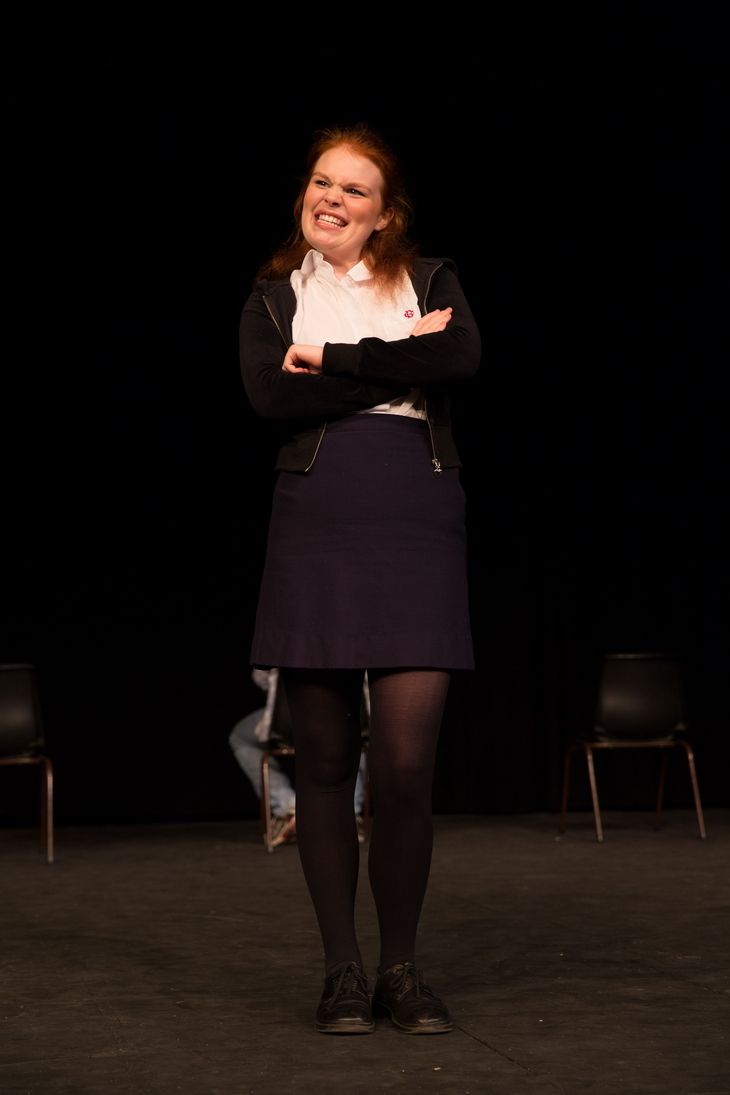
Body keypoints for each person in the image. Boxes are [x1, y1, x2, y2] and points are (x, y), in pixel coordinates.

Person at [238, 123, 480, 1035]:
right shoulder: (272, 298)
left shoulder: (430, 280)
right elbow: (271, 396)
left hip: (415, 519)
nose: (330, 198)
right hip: (318, 524)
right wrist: (393, 359)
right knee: (328, 763)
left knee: (408, 766)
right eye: (320, 181)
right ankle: (344, 971)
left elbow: (455, 358)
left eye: (353, 189)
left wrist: (333, 359)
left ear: (385, 216)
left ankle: (402, 968)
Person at [228, 668, 369, 846]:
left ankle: (288, 806)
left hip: (290, 722)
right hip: (348, 719)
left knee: (240, 737)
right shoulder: (361, 640)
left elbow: (260, 675)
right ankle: (349, 813)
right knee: (356, 736)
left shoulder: (287, 639)